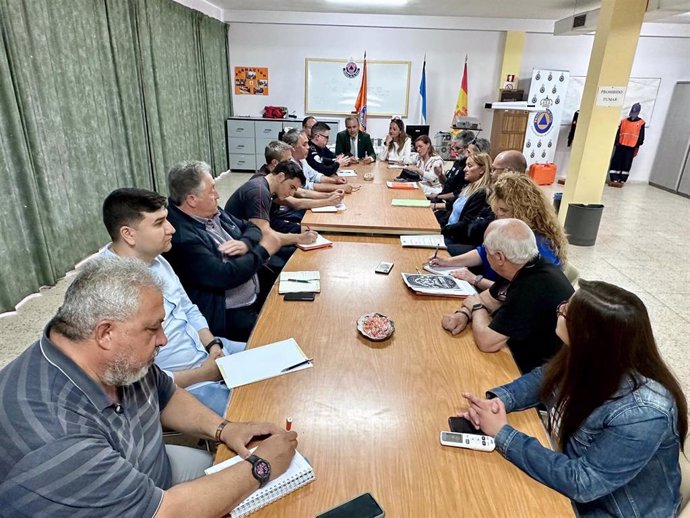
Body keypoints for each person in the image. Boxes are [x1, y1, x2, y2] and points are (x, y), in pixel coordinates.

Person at [0, 257, 298, 517]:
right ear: (105, 333)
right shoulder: (56, 437)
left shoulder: (113, 356)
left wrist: (223, 429)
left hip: (152, 476)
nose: (164, 339)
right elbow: (166, 512)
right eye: (152, 328)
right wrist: (262, 467)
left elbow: (164, 394)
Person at [459, 280, 687, 517]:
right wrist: (499, 401)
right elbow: (543, 378)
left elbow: (584, 482)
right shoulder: (591, 355)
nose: (560, 309)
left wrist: (503, 433)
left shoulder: (643, 413)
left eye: (566, 311)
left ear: (587, 334)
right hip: (572, 486)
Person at [99, 188, 245, 415]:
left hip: (206, 354)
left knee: (283, 363)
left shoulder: (158, 261)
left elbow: (188, 309)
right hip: (183, 384)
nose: (172, 229)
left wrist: (213, 345)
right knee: (256, 412)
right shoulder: (106, 288)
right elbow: (131, 379)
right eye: (159, 223)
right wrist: (206, 373)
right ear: (128, 234)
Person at [164, 160, 281, 342]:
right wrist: (263, 250)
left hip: (254, 293)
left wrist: (245, 243)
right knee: (276, 337)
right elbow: (224, 275)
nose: (217, 195)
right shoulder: (181, 236)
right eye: (211, 190)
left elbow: (251, 226)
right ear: (192, 200)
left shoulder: (212, 211)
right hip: (230, 314)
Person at [441, 219, 574, 374]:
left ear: (499, 257)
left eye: (486, 251)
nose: (484, 255)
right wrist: (463, 314)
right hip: (522, 354)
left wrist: (476, 308)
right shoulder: (523, 264)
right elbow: (487, 299)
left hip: (537, 372)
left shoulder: (533, 285)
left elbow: (486, 342)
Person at [431, 173, 568, 292]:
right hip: (491, 287)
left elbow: (518, 291)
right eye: (497, 209)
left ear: (524, 211)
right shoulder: (511, 230)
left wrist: (474, 279)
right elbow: (483, 252)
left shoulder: (538, 246)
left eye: (503, 210)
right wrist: (448, 262)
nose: (498, 215)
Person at [225, 160, 317, 248]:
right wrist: (299, 238)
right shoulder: (259, 192)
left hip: (247, 237)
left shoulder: (264, 186)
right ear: (280, 177)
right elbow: (264, 235)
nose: (292, 194)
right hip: (240, 243)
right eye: (291, 187)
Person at [440, 152, 493, 249]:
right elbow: (451, 210)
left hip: (456, 238)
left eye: (469, 166)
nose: (465, 169)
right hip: (448, 231)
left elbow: (465, 225)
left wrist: (441, 229)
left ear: (481, 170)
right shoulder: (468, 187)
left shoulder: (482, 193)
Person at [429, 131, 480, 215]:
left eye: (458, 148)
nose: (455, 151)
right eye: (453, 148)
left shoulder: (468, 169)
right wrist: (440, 175)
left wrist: (437, 197)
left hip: (449, 205)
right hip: (443, 199)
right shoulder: (457, 162)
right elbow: (447, 183)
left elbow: (458, 193)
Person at [608, 102, 645, 187]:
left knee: (626, 164)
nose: (633, 114)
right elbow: (619, 133)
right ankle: (614, 178)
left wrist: (637, 145)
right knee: (616, 162)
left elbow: (641, 137)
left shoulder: (641, 123)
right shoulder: (624, 121)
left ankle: (622, 179)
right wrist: (616, 142)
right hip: (620, 145)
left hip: (631, 147)